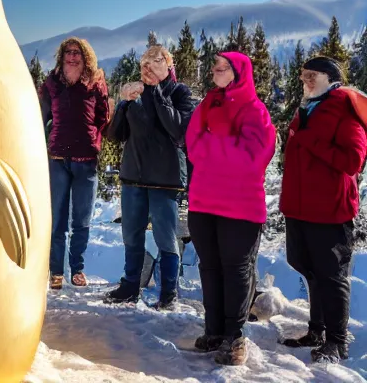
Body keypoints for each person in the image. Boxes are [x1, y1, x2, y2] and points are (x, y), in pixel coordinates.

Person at [185, 52, 276, 366]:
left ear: (239, 73)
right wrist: (219, 144)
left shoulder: (255, 111)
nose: (214, 72)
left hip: (240, 206)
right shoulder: (209, 103)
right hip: (203, 200)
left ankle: (234, 337)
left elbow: (252, 157)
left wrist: (211, 143)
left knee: (235, 269)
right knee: (209, 266)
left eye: (221, 67)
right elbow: (192, 143)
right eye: (214, 67)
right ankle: (213, 331)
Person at [279, 56, 367, 363]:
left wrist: (307, 139)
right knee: (308, 268)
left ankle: (338, 342)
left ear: (332, 77)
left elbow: (353, 161)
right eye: (303, 75)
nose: (305, 80)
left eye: (312, 75)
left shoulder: (345, 110)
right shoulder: (307, 108)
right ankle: (316, 331)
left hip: (330, 210)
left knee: (331, 275)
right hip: (299, 207)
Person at [104, 45, 195, 309]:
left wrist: (155, 90)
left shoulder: (179, 92)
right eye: (144, 61)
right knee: (131, 235)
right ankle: (130, 286)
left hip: (164, 179)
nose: (148, 66)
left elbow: (177, 130)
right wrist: (123, 105)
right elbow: (115, 135)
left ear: (169, 64)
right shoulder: (136, 94)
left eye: (156, 60)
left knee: (166, 237)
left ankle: (168, 292)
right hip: (133, 175)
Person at [40, 37, 110, 289]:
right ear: (61, 56)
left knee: (81, 219)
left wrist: (91, 138)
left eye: (77, 53)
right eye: (68, 52)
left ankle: (77, 269)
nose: (72, 56)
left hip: (86, 160)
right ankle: (55, 271)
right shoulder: (52, 83)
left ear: (86, 57)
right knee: (57, 218)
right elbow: (41, 116)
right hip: (57, 158)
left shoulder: (95, 83)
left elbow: (103, 117)